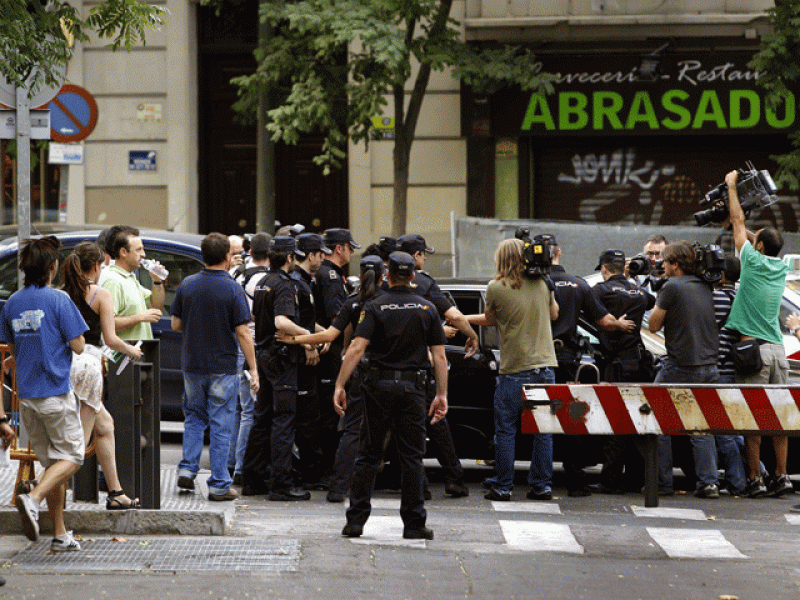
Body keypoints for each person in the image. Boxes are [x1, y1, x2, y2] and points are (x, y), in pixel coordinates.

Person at [336, 251, 448, 540]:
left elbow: (357, 348)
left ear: (387, 275)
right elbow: (439, 356)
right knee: (412, 457)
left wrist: (340, 384)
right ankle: (413, 524)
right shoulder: (427, 309)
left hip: (378, 389)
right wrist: (441, 394)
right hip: (413, 391)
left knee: (368, 455)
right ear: (413, 276)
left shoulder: (375, 307)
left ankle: (355, 521)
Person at [1, 236, 88, 550]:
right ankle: (34, 496)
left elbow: (13, 348)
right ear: (52, 268)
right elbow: (78, 345)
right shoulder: (60, 300)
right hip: (55, 394)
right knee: (73, 456)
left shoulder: (12, 302)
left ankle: (60, 534)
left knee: (54, 465)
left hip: (27, 399)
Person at [280, 255, 386, 503]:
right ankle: (415, 488)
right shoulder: (391, 301)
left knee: (352, 431)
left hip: (362, 374)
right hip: (391, 374)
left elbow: (329, 334)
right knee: (399, 433)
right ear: (384, 276)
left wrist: (296, 340)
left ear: (360, 277)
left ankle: (338, 488)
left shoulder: (353, 302)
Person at [466, 238, 559, 501]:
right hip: (544, 367)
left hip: (515, 368)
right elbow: (554, 314)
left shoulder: (496, 286)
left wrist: (461, 319)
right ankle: (541, 486)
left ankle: (504, 486)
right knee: (542, 430)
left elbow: (491, 320)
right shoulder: (542, 283)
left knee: (506, 429)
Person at [172, 233, 259, 501]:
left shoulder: (187, 285)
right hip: (223, 364)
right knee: (221, 423)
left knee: (194, 416)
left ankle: (187, 469)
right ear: (227, 257)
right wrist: (254, 368)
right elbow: (243, 332)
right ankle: (219, 483)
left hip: (192, 363)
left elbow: (176, 324)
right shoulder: (233, 288)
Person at [723, 169, 792, 498]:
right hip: (779, 351)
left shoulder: (749, 261)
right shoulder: (780, 267)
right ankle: (781, 476)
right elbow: (751, 237)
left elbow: (738, 222)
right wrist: (755, 235)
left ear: (758, 246)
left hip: (754, 352)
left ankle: (755, 478)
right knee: (779, 419)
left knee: (752, 420)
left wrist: (731, 185)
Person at [548, 243, 635, 496]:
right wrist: (619, 324)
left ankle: (538, 478)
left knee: (535, 419)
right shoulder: (578, 285)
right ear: (559, 252)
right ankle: (575, 481)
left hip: (537, 359)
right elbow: (604, 321)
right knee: (571, 419)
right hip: (567, 361)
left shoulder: (531, 284)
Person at [61, 242, 143, 509]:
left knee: (105, 426)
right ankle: (39, 486)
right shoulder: (99, 294)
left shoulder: (61, 294)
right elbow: (111, 338)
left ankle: (116, 492)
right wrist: (132, 349)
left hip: (63, 366)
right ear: (96, 266)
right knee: (78, 447)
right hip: (89, 368)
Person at [397, 233, 477, 497]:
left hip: (388, 368)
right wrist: (472, 335)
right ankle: (454, 478)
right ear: (416, 256)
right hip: (422, 367)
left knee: (401, 428)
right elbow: (453, 315)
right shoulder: (425, 284)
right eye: (423, 254)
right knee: (437, 422)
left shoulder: (384, 282)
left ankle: (415, 483)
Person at [243, 236, 313, 501]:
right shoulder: (284, 285)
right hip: (281, 359)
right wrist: (307, 336)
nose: (297, 260)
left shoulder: (262, 282)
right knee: (284, 420)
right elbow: (282, 321)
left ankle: (253, 479)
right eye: (295, 256)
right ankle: (281, 485)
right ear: (288, 258)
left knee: (262, 419)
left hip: (264, 356)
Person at [648, 241, 721, 498]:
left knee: (659, 421)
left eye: (665, 262)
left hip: (679, 366)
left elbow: (654, 325)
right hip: (709, 365)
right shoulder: (704, 285)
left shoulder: (672, 286)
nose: (662, 267)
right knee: (701, 427)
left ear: (675, 265)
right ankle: (709, 483)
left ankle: (662, 482)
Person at [592, 248, 656, 494]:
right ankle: (636, 479)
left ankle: (610, 480)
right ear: (624, 268)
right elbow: (650, 300)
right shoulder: (639, 292)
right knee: (638, 422)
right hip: (639, 364)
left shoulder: (599, 291)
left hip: (616, 365)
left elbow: (596, 316)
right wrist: (631, 278)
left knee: (615, 422)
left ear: (604, 269)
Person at [314, 228, 360, 481]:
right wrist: (345, 348)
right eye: (349, 247)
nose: (351, 252)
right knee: (330, 414)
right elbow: (337, 319)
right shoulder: (331, 276)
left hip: (328, 351)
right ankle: (326, 470)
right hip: (330, 354)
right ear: (339, 248)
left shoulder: (331, 275)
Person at [228, 233, 271, 487]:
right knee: (249, 410)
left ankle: (231, 462)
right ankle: (242, 468)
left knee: (235, 408)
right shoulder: (263, 279)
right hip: (251, 345)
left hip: (233, 343)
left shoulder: (236, 274)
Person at [290, 232, 331, 487]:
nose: (324, 258)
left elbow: (305, 318)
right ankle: (308, 474)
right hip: (299, 357)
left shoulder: (305, 280)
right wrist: (309, 345)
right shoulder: (296, 282)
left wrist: (321, 334)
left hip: (306, 349)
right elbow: (293, 320)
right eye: (320, 253)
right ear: (311, 255)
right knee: (306, 418)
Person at [712, 256, 747, 496]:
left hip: (718, 370)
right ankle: (756, 472)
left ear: (721, 275)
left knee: (721, 430)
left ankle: (737, 481)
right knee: (734, 431)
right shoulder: (741, 298)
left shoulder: (715, 298)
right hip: (735, 369)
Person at [100, 225, 165, 340]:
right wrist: (140, 317)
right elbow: (107, 324)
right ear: (123, 252)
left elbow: (156, 308)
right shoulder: (113, 281)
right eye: (138, 250)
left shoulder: (130, 278)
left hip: (137, 353)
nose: (143, 254)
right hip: (123, 355)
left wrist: (157, 281)